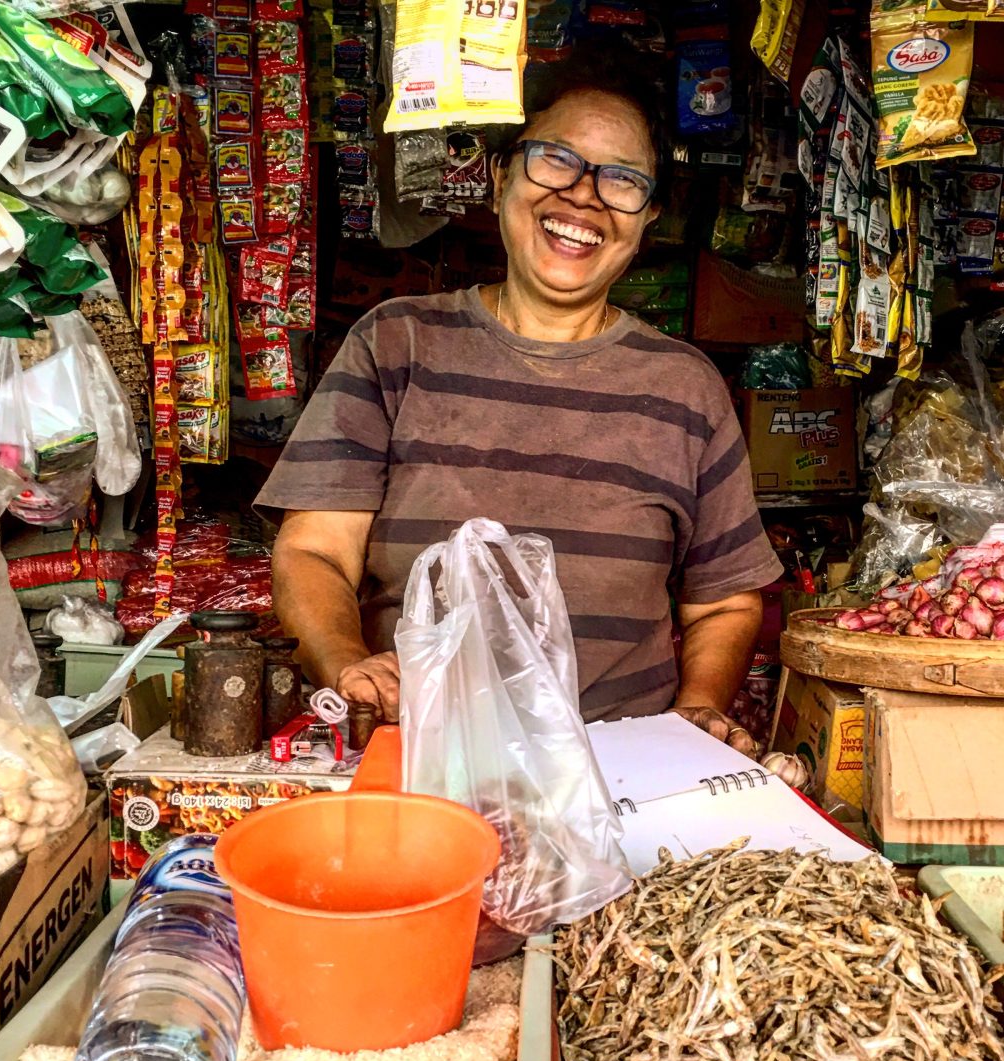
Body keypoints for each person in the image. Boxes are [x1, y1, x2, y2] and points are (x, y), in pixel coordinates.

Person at [256, 45, 782, 755]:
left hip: (620, 773)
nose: (584, 196)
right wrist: (352, 666)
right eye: (556, 160)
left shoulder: (685, 386)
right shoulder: (395, 343)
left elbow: (723, 600)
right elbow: (314, 551)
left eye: (622, 180)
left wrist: (697, 710)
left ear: (648, 217)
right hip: (416, 752)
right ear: (503, 172)